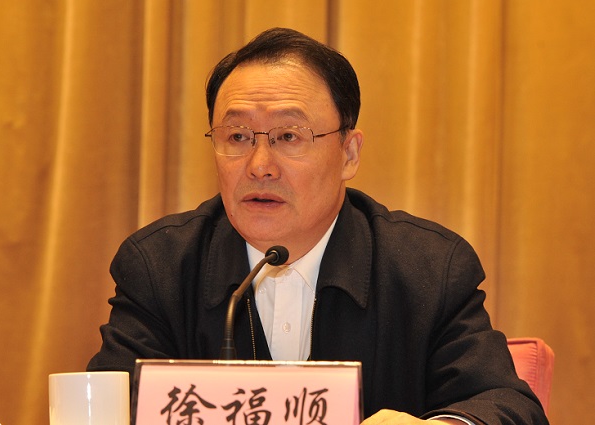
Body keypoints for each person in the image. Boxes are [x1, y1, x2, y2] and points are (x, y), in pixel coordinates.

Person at [88, 27, 549, 424]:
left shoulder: (427, 267)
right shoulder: (160, 266)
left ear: (348, 153)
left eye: (289, 136)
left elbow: (505, 404)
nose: (260, 166)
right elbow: (110, 404)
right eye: (238, 136)